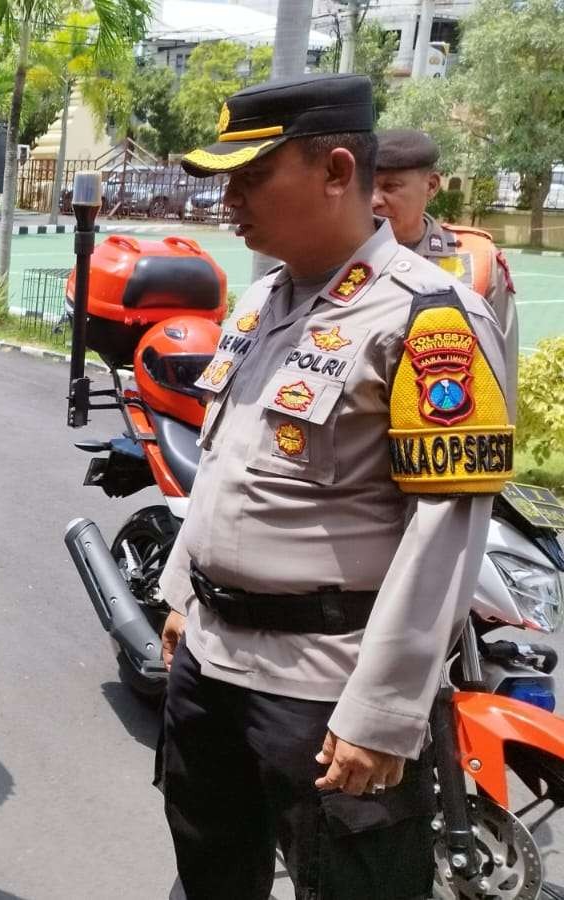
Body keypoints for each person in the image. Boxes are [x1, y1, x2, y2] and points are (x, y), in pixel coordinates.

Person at [156, 74, 515, 899]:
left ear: (336, 170)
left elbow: (446, 532)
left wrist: (383, 714)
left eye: (253, 178)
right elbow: (226, 466)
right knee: (211, 872)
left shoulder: (429, 320)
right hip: (212, 665)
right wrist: (183, 597)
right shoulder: (260, 301)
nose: (231, 202)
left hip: (322, 689)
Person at [373, 127, 517, 365]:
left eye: (390, 187)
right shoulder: (338, 256)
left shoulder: (478, 257)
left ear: (431, 186)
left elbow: (504, 360)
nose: (374, 200)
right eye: (366, 187)